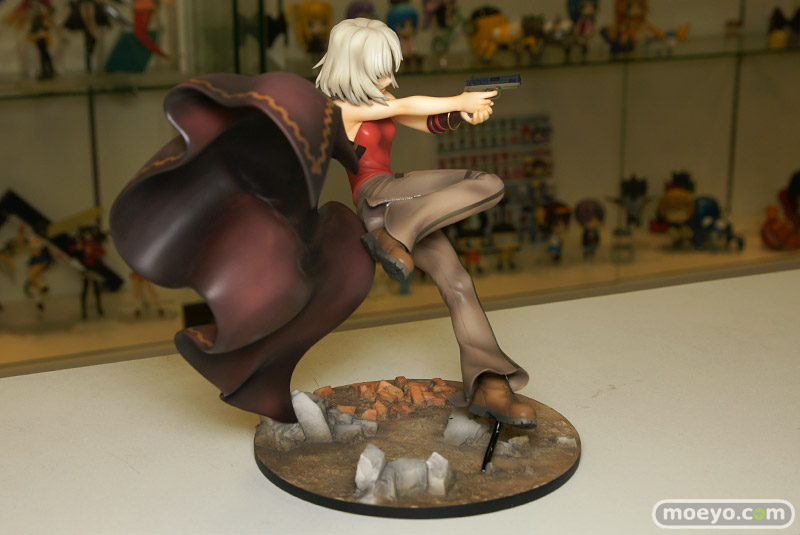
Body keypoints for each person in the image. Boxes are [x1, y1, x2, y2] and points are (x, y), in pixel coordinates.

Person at [314, 18, 536, 428]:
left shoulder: (379, 101)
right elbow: (405, 106)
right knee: (487, 182)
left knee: (458, 281)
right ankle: (394, 235)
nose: (387, 79)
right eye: (378, 70)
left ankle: (488, 383)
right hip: (376, 197)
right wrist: (459, 98)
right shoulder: (341, 110)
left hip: (401, 204)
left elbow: (420, 120)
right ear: (351, 67)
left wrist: (461, 113)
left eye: (389, 69)